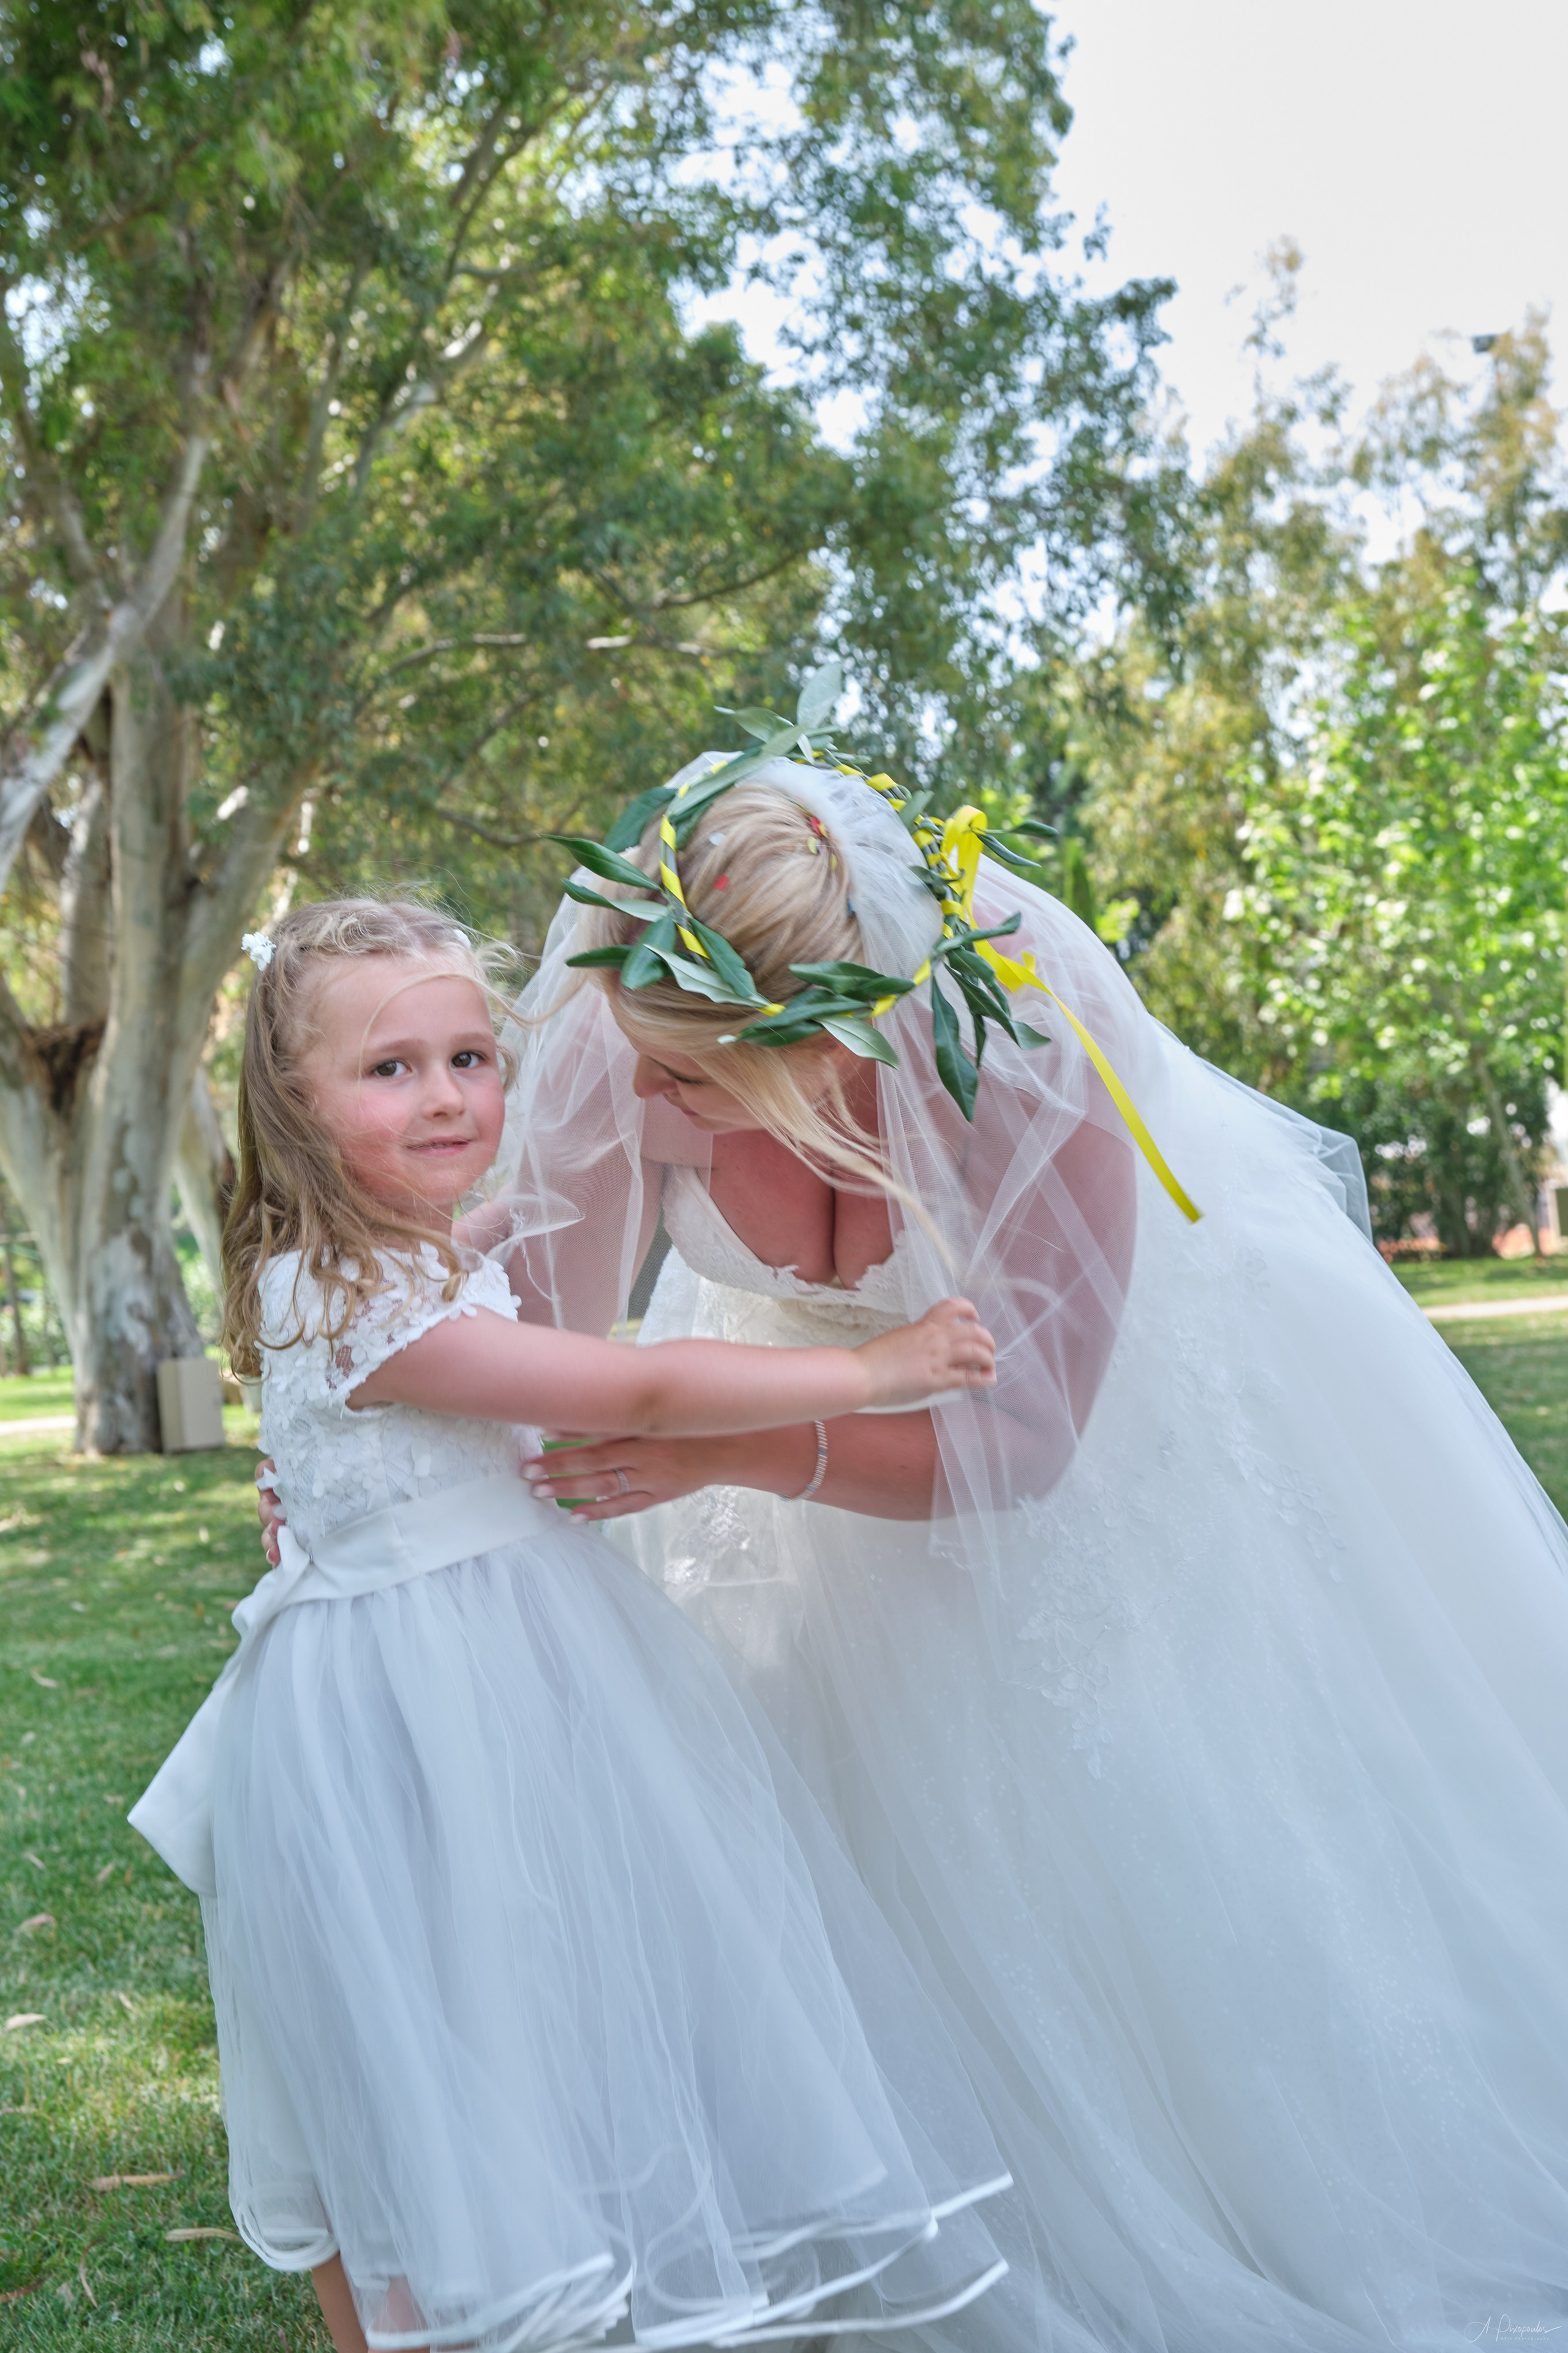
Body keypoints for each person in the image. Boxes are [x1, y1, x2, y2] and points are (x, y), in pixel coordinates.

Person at [494, 731, 1568, 2352]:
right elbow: (536, 1381)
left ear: (836, 1042)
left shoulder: (1018, 1037)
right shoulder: (619, 1020)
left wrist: (733, 1441)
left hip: (1104, 1434)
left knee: (1188, 1846)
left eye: (698, 1079)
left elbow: (1026, 1442)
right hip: (805, 1428)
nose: (639, 1092)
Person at [131, 896, 1014, 2353]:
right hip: (416, 1711)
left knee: (525, 1997)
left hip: (480, 1667)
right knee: (436, 2021)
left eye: (471, 1057)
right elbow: (641, 1392)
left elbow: (469, 1273)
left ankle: (528, 2281)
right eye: (390, 1069)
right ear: (293, 1100)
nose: (448, 1097)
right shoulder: (361, 1297)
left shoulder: (389, 1257)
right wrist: (875, 1366)